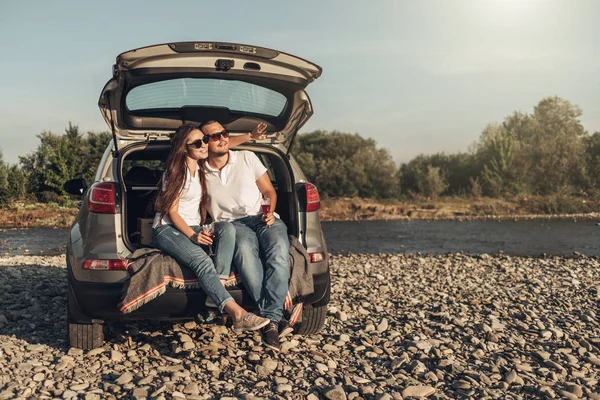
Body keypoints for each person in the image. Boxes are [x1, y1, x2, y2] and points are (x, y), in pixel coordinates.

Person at [152, 122, 270, 333]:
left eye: (205, 140)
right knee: (201, 260)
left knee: (227, 228)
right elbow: (172, 213)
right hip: (168, 229)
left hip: (194, 225)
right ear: (184, 148)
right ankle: (238, 314)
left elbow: (225, 143)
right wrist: (193, 236)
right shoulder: (176, 172)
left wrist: (250, 135)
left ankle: (218, 287)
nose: (204, 145)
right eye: (197, 143)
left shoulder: (200, 166)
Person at [200, 120, 291, 351]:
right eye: (214, 136)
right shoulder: (199, 170)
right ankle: (274, 321)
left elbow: (268, 190)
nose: (221, 138)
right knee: (246, 256)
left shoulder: (247, 157)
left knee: (279, 252)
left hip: (262, 217)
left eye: (224, 133)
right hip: (233, 225)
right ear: (204, 142)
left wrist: (270, 211)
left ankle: (269, 316)